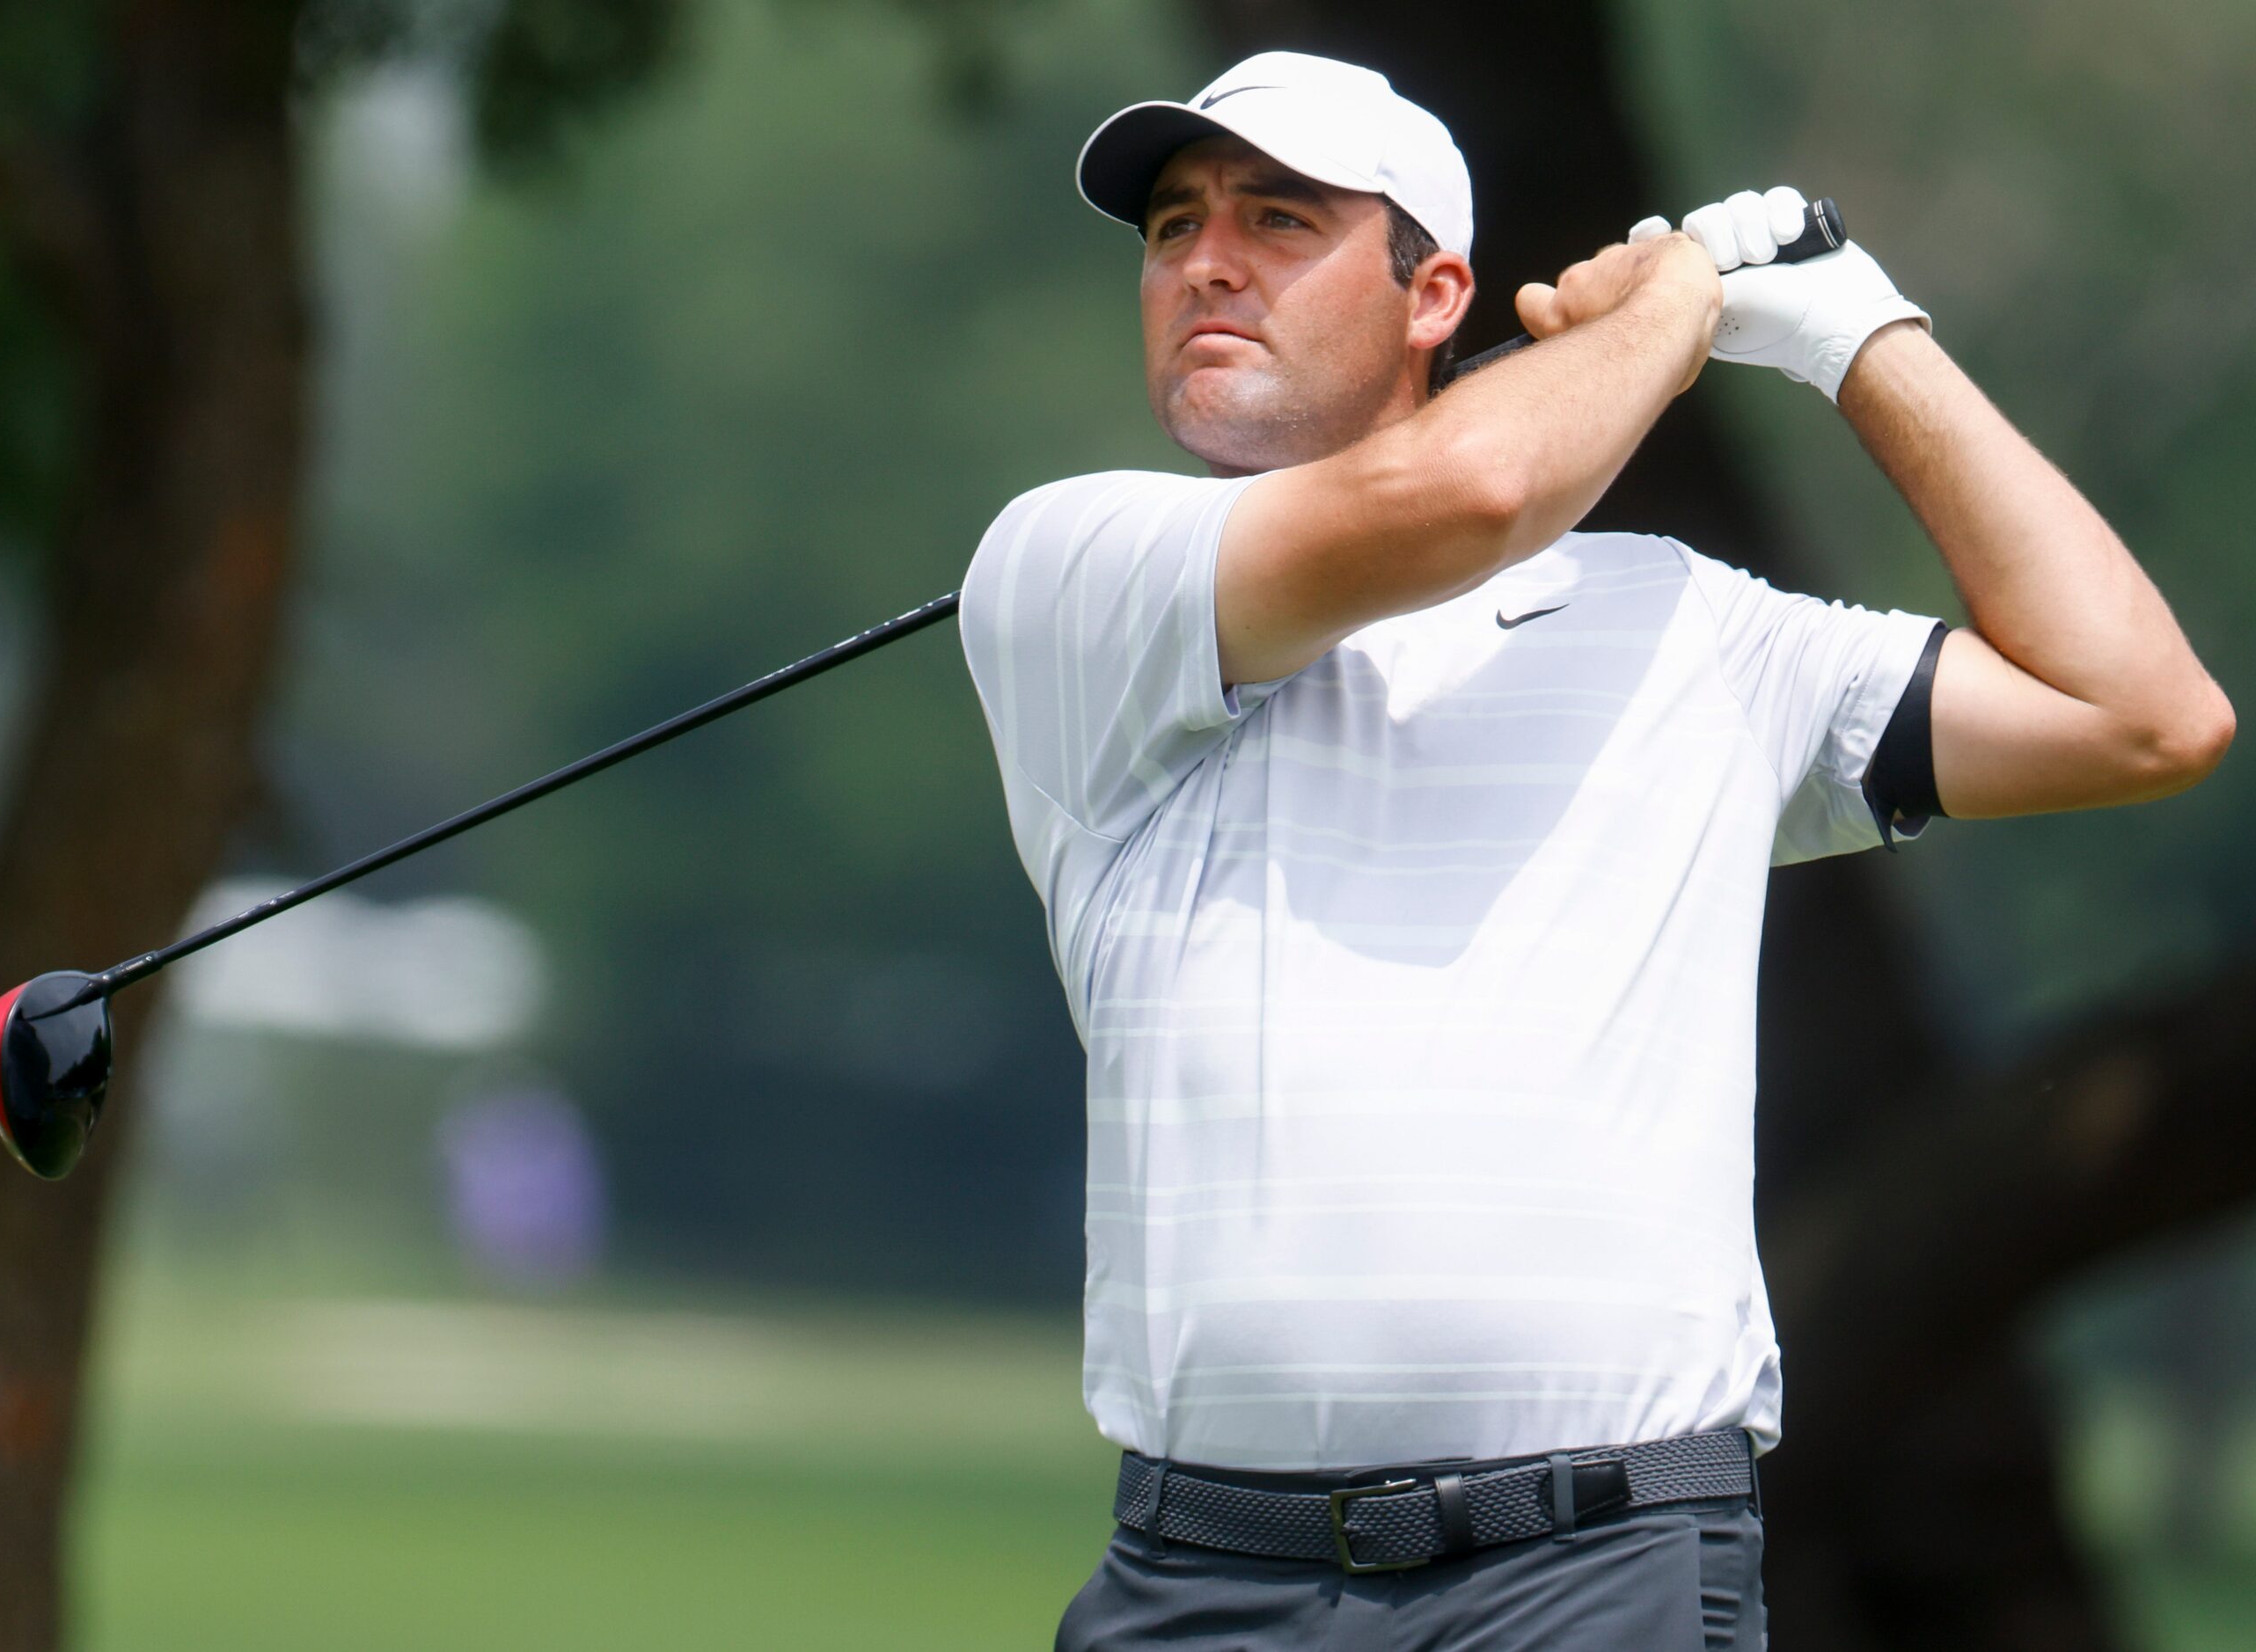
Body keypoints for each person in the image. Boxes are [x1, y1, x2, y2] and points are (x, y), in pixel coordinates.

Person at [956, 49, 2231, 1652]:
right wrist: (1681, 296)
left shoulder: (1692, 630)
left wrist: (1861, 340)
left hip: (1598, 1576)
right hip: (1205, 1580)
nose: (1205, 259)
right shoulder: (1074, 571)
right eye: (1171, 227)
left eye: (1279, 219)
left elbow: (2142, 711)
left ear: (1434, 298)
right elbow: (1476, 483)